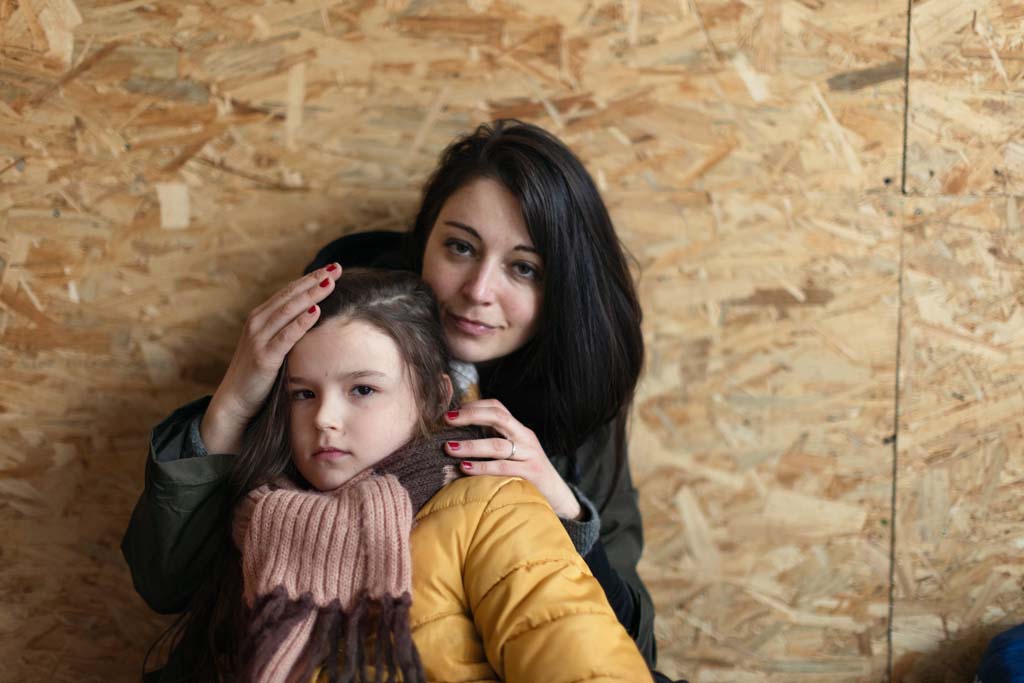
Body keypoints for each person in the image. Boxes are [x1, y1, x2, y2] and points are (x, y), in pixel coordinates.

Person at [122, 119, 659, 668]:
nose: (478, 291)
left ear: (561, 288)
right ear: (423, 241)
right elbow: (165, 584)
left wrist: (566, 511)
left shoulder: (574, 394)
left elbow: (627, 648)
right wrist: (234, 403)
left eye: (523, 268)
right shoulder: (328, 341)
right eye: (460, 247)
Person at [147, 269, 649, 682]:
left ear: (434, 397)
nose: (324, 418)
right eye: (303, 394)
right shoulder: (258, 525)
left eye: (362, 390)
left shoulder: (493, 511)